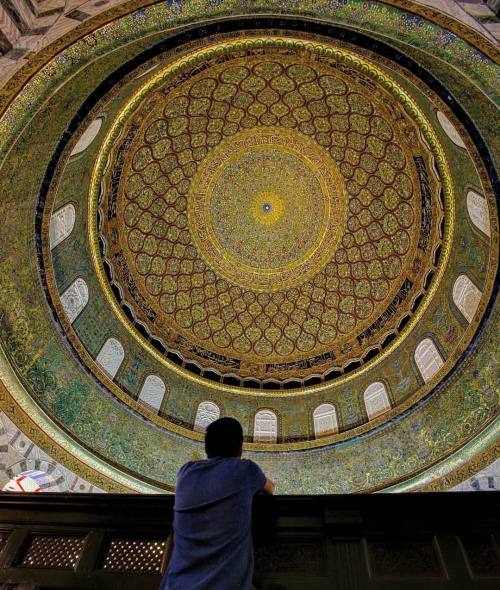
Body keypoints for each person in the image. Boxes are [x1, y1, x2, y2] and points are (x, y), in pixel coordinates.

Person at [160, 416, 275, 590]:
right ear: (240, 447)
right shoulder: (245, 470)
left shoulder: (185, 473)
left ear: (207, 447)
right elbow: (270, 488)